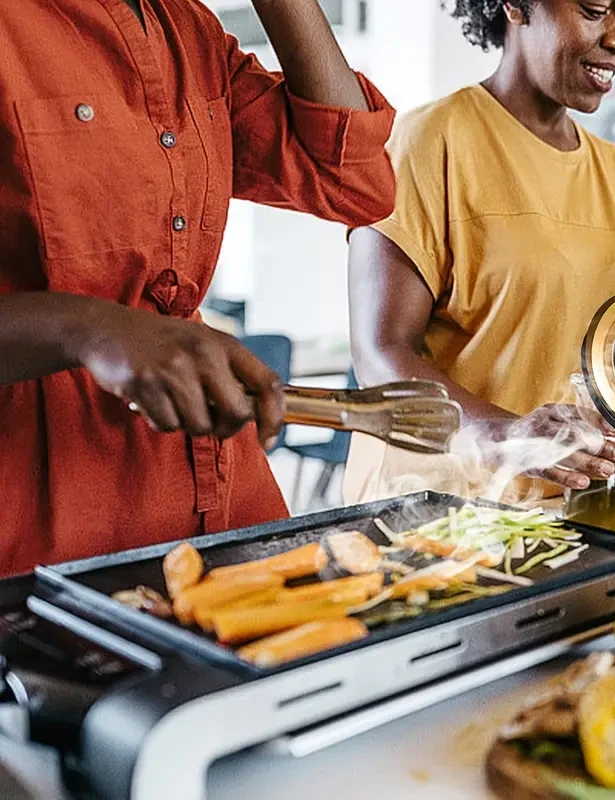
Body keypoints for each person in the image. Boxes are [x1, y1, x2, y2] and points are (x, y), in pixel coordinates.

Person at [0, 0, 396, 577]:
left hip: (225, 504)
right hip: (46, 529)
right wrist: (86, 328)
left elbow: (352, 183)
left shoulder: (188, 27)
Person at [344, 0, 615, 506]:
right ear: (515, 5)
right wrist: (503, 435)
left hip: (566, 508)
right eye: (595, 9)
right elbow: (380, 353)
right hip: (436, 506)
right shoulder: (427, 141)